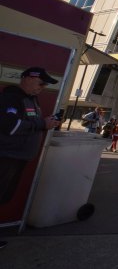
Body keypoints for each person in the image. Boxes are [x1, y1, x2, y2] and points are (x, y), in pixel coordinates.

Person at [0, 67, 61, 249]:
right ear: (27, 78)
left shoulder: (31, 100)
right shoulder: (12, 97)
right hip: (6, 157)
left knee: (3, 197)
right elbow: (11, 126)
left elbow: (31, 123)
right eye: (40, 83)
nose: (42, 87)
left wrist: (47, 123)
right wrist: (42, 124)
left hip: (19, 158)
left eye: (45, 85)